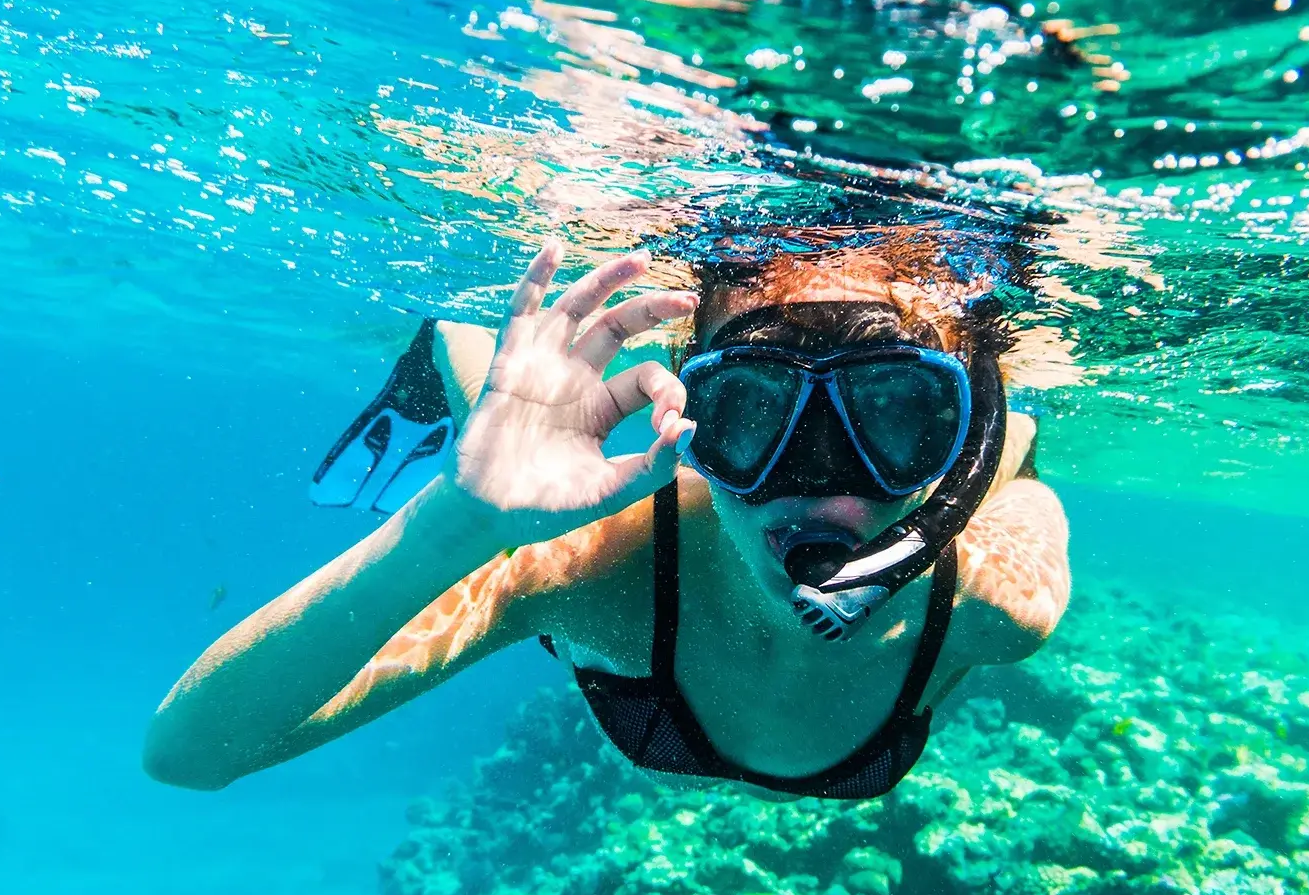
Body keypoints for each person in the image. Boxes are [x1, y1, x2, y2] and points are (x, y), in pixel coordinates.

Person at [143, 226, 1070, 800]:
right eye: (750, 414)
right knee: (513, 431)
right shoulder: (590, 563)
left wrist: (1004, 454)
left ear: (961, 438)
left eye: (899, 418)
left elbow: (1017, 489)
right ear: (691, 412)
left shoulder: (997, 601)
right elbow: (191, 754)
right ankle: (450, 349)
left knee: (1016, 451)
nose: (822, 487)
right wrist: (460, 522)